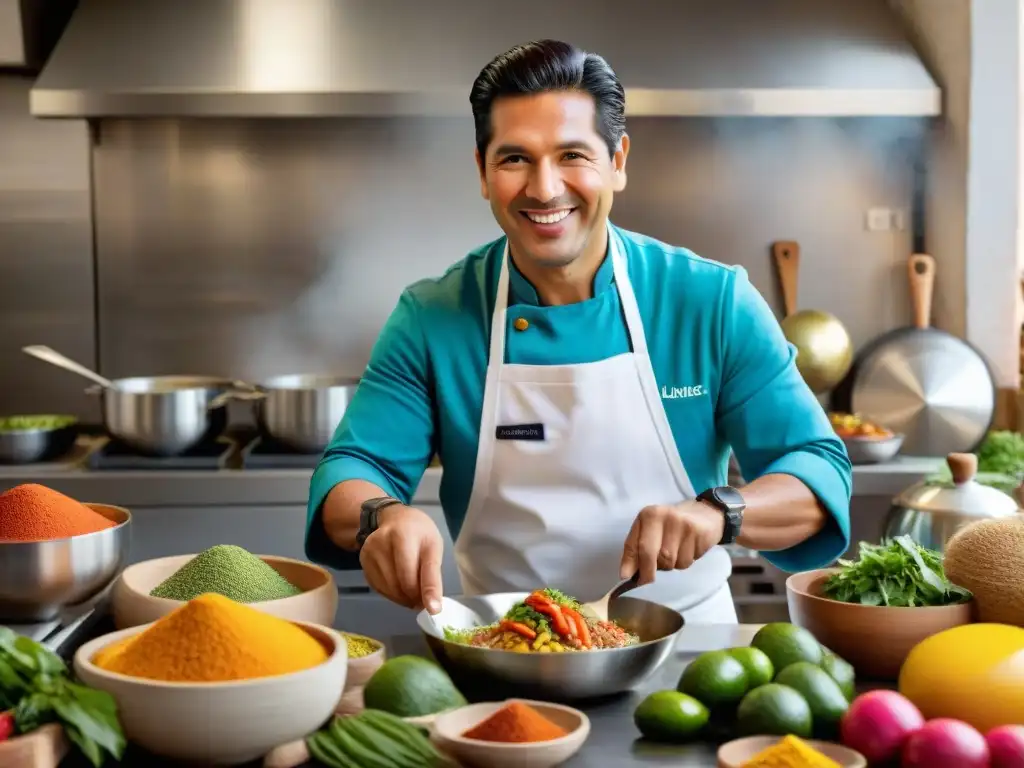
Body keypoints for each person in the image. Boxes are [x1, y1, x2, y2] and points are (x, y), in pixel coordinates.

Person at [305, 40, 852, 624]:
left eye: (572, 155)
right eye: (515, 159)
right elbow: (351, 470)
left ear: (617, 161)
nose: (544, 189)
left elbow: (817, 470)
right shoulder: (433, 316)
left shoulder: (711, 301)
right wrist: (383, 517)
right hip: (502, 650)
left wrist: (721, 512)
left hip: (690, 654)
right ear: (483, 173)